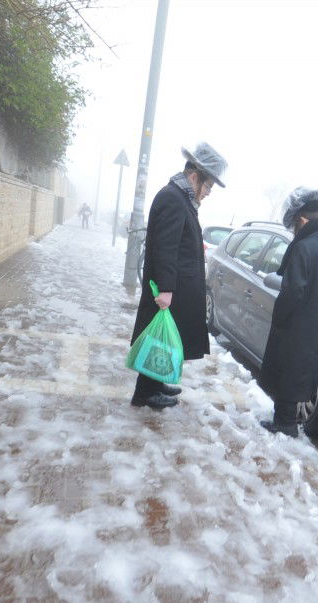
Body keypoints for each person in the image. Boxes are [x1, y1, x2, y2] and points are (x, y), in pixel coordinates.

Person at [129, 142, 228, 409]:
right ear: (194, 177)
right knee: (158, 338)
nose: (208, 192)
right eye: (208, 186)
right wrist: (166, 288)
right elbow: (166, 247)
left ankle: (155, 385)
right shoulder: (173, 199)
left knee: (162, 339)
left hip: (175, 287)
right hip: (167, 289)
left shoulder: (180, 198)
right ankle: (145, 393)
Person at [258, 187, 318, 436]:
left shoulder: (303, 247)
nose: (294, 230)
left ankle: (284, 423)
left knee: (286, 369)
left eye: (294, 225)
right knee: (301, 370)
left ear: (302, 220)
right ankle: (287, 421)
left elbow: (293, 291)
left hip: (294, 322)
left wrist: (281, 316)